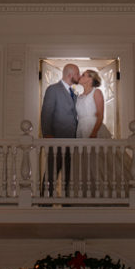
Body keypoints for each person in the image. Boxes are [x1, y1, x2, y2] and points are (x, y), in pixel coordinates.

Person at [40, 63, 80, 195]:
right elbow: (46, 113)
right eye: (77, 74)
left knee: (69, 173)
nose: (79, 76)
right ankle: (44, 203)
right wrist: (48, 136)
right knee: (52, 171)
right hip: (56, 139)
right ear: (70, 75)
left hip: (72, 141)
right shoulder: (53, 89)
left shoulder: (73, 92)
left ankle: (67, 203)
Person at [75, 69, 111, 139]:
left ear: (90, 79)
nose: (80, 76)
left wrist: (94, 133)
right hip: (81, 129)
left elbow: (100, 115)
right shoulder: (79, 96)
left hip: (94, 129)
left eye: (83, 75)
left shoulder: (96, 92)